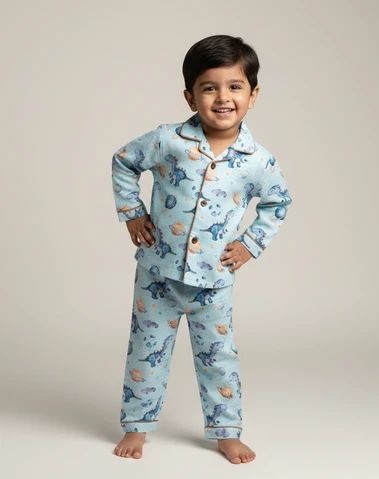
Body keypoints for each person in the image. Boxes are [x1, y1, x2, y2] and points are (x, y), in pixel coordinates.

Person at [111, 34, 293, 464]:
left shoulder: (258, 160)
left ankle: (226, 432)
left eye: (235, 87)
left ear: (253, 95)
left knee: (219, 358)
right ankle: (136, 426)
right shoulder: (168, 140)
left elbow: (278, 203)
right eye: (209, 88)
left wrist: (250, 244)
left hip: (213, 282)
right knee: (145, 351)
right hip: (157, 274)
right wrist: (132, 213)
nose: (223, 97)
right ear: (190, 97)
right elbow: (124, 161)